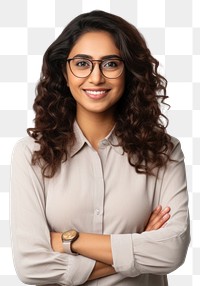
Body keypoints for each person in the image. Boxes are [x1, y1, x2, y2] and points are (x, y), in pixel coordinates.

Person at [10, 10, 190, 286]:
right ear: (64, 71)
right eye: (82, 64)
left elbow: (171, 250)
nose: (95, 78)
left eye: (110, 64)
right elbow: (31, 266)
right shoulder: (31, 153)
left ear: (128, 71)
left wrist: (69, 241)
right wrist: (138, 246)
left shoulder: (163, 152)